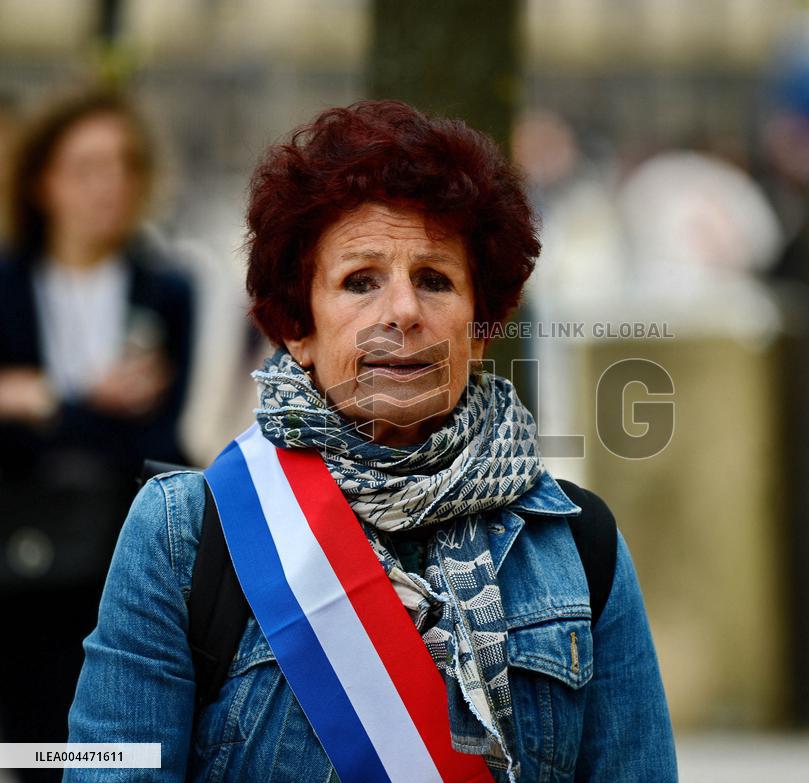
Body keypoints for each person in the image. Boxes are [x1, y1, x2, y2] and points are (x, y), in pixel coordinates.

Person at [65, 99, 676, 782]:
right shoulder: (183, 536)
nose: (404, 310)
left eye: (435, 281)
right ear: (298, 328)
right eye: (360, 282)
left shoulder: (580, 546)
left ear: (480, 330)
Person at [0, 90, 193, 780]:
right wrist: (88, 399)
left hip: (120, 549)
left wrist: (36, 400)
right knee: (32, 749)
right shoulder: (6, 284)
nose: (109, 185)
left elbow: (156, 435)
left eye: (123, 165)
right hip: (20, 557)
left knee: (124, 743)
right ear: (43, 181)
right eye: (87, 167)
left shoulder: (167, 288)